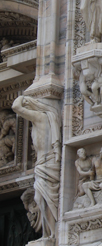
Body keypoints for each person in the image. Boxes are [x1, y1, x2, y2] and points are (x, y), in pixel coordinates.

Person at [12, 96, 61, 239]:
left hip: (47, 163)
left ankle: (53, 234)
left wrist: (22, 98)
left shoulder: (41, 117)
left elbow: (16, 107)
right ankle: (50, 233)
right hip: (42, 164)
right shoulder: (42, 119)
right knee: (41, 199)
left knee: (43, 199)